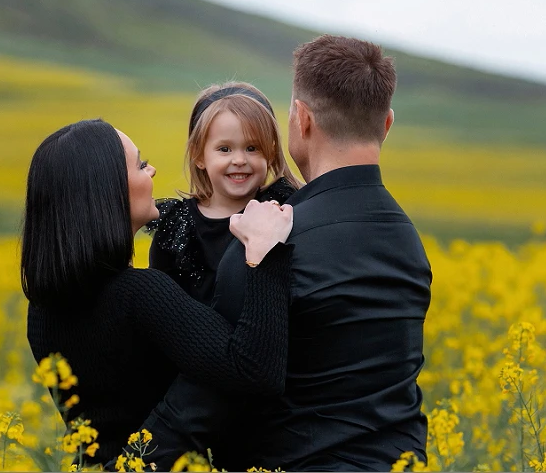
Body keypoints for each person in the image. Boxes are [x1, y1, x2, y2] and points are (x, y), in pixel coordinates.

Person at [130, 35, 433, 472]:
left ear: (301, 119)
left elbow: (203, 400)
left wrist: (131, 463)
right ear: (386, 124)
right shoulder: (408, 240)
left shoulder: (264, 245)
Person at [20, 118, 294, 468]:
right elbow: (257, 371)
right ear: (108, 190)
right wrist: (264, 252)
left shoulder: (41, 310)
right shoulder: (140, 295)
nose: (151, 171)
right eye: (139, 164)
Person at [147, 81, 302, 306]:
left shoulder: (284, 208)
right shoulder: (175, 227)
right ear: (198, 155)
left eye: (252, 148)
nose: (239, 160)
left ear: (270, 152)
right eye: (225, 149)